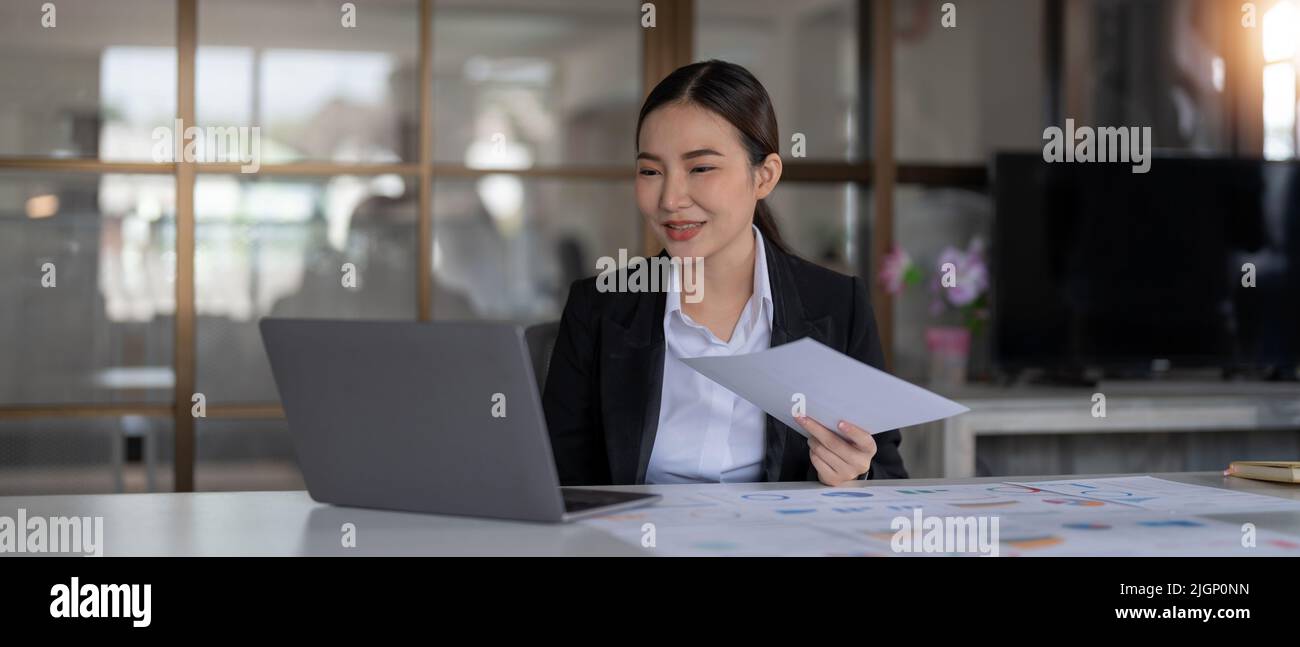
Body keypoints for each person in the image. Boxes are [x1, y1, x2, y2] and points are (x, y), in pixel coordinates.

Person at [542, 60, 907, 487]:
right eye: (650, 171)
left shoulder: (836, 306)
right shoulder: (599, 307)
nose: (671, 198)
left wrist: (857, 472)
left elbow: (887, 474)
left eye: (701, 168)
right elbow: (559, 481)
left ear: (764, 176)